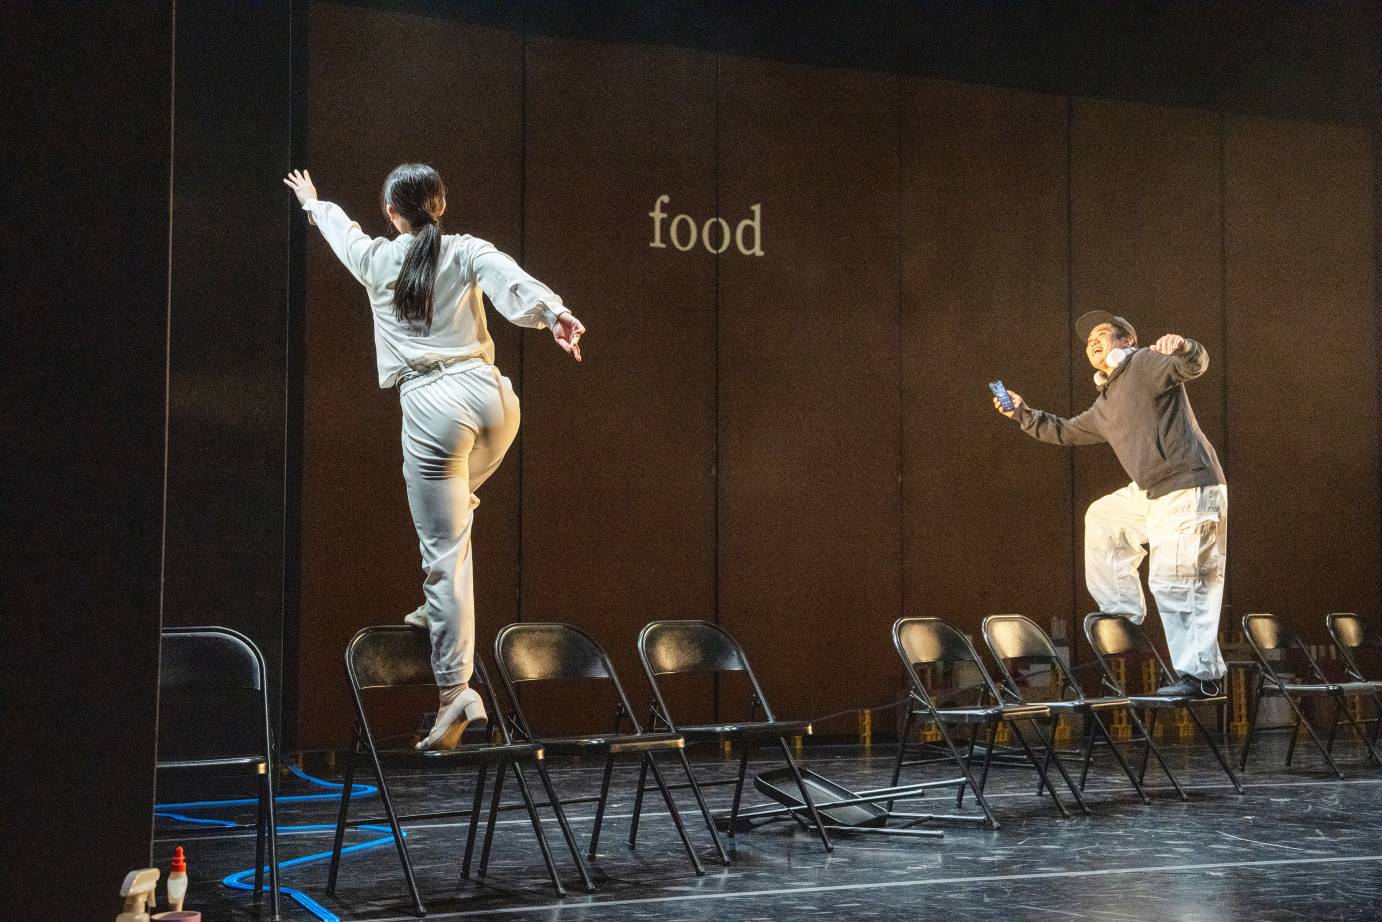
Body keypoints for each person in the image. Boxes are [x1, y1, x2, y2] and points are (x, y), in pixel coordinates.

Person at [284, 165, 586, 748]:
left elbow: (340, 231)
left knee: (444, 547)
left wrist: (312, 202)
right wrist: (553, 314)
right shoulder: (466, 248)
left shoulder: (376, 259)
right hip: (495, 400)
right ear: (441, 204)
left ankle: (454, 691)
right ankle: (436, 608)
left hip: (435, 407)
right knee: (455, 518)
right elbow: (511, 280)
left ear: (392, 214)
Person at [993, 310, 1227, 697]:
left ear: (1125, 342)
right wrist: (1021, 413)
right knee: (1103, 516)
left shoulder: (1143, 364)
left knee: (1177, 580)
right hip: (1153, 492)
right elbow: (1064, 430)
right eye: (1088, 342)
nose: (1093, 343)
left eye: (1102, 335)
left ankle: (1203, 677)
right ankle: (1122, 612)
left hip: (1188, 485)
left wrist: (1182, 345)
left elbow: (1193, 364)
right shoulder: (1106, 404)